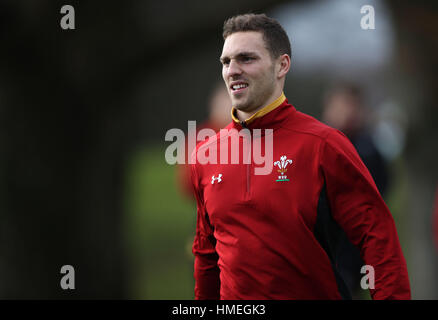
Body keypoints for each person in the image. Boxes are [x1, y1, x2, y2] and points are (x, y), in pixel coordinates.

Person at [190, 13, 411, 300]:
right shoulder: (206, 155)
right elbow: (206, 257)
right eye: (226, 61)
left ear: (282, 65)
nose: (232, 70)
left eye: (246, 59)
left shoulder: (324, 145)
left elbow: (377, 238)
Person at [321, 83, 391, 298]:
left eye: (350, 106)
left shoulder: (369, 149)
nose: (346, 113)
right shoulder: (314, 145)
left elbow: (381, 192)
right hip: (320, 253)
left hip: (353, 253)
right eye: (340, 106)